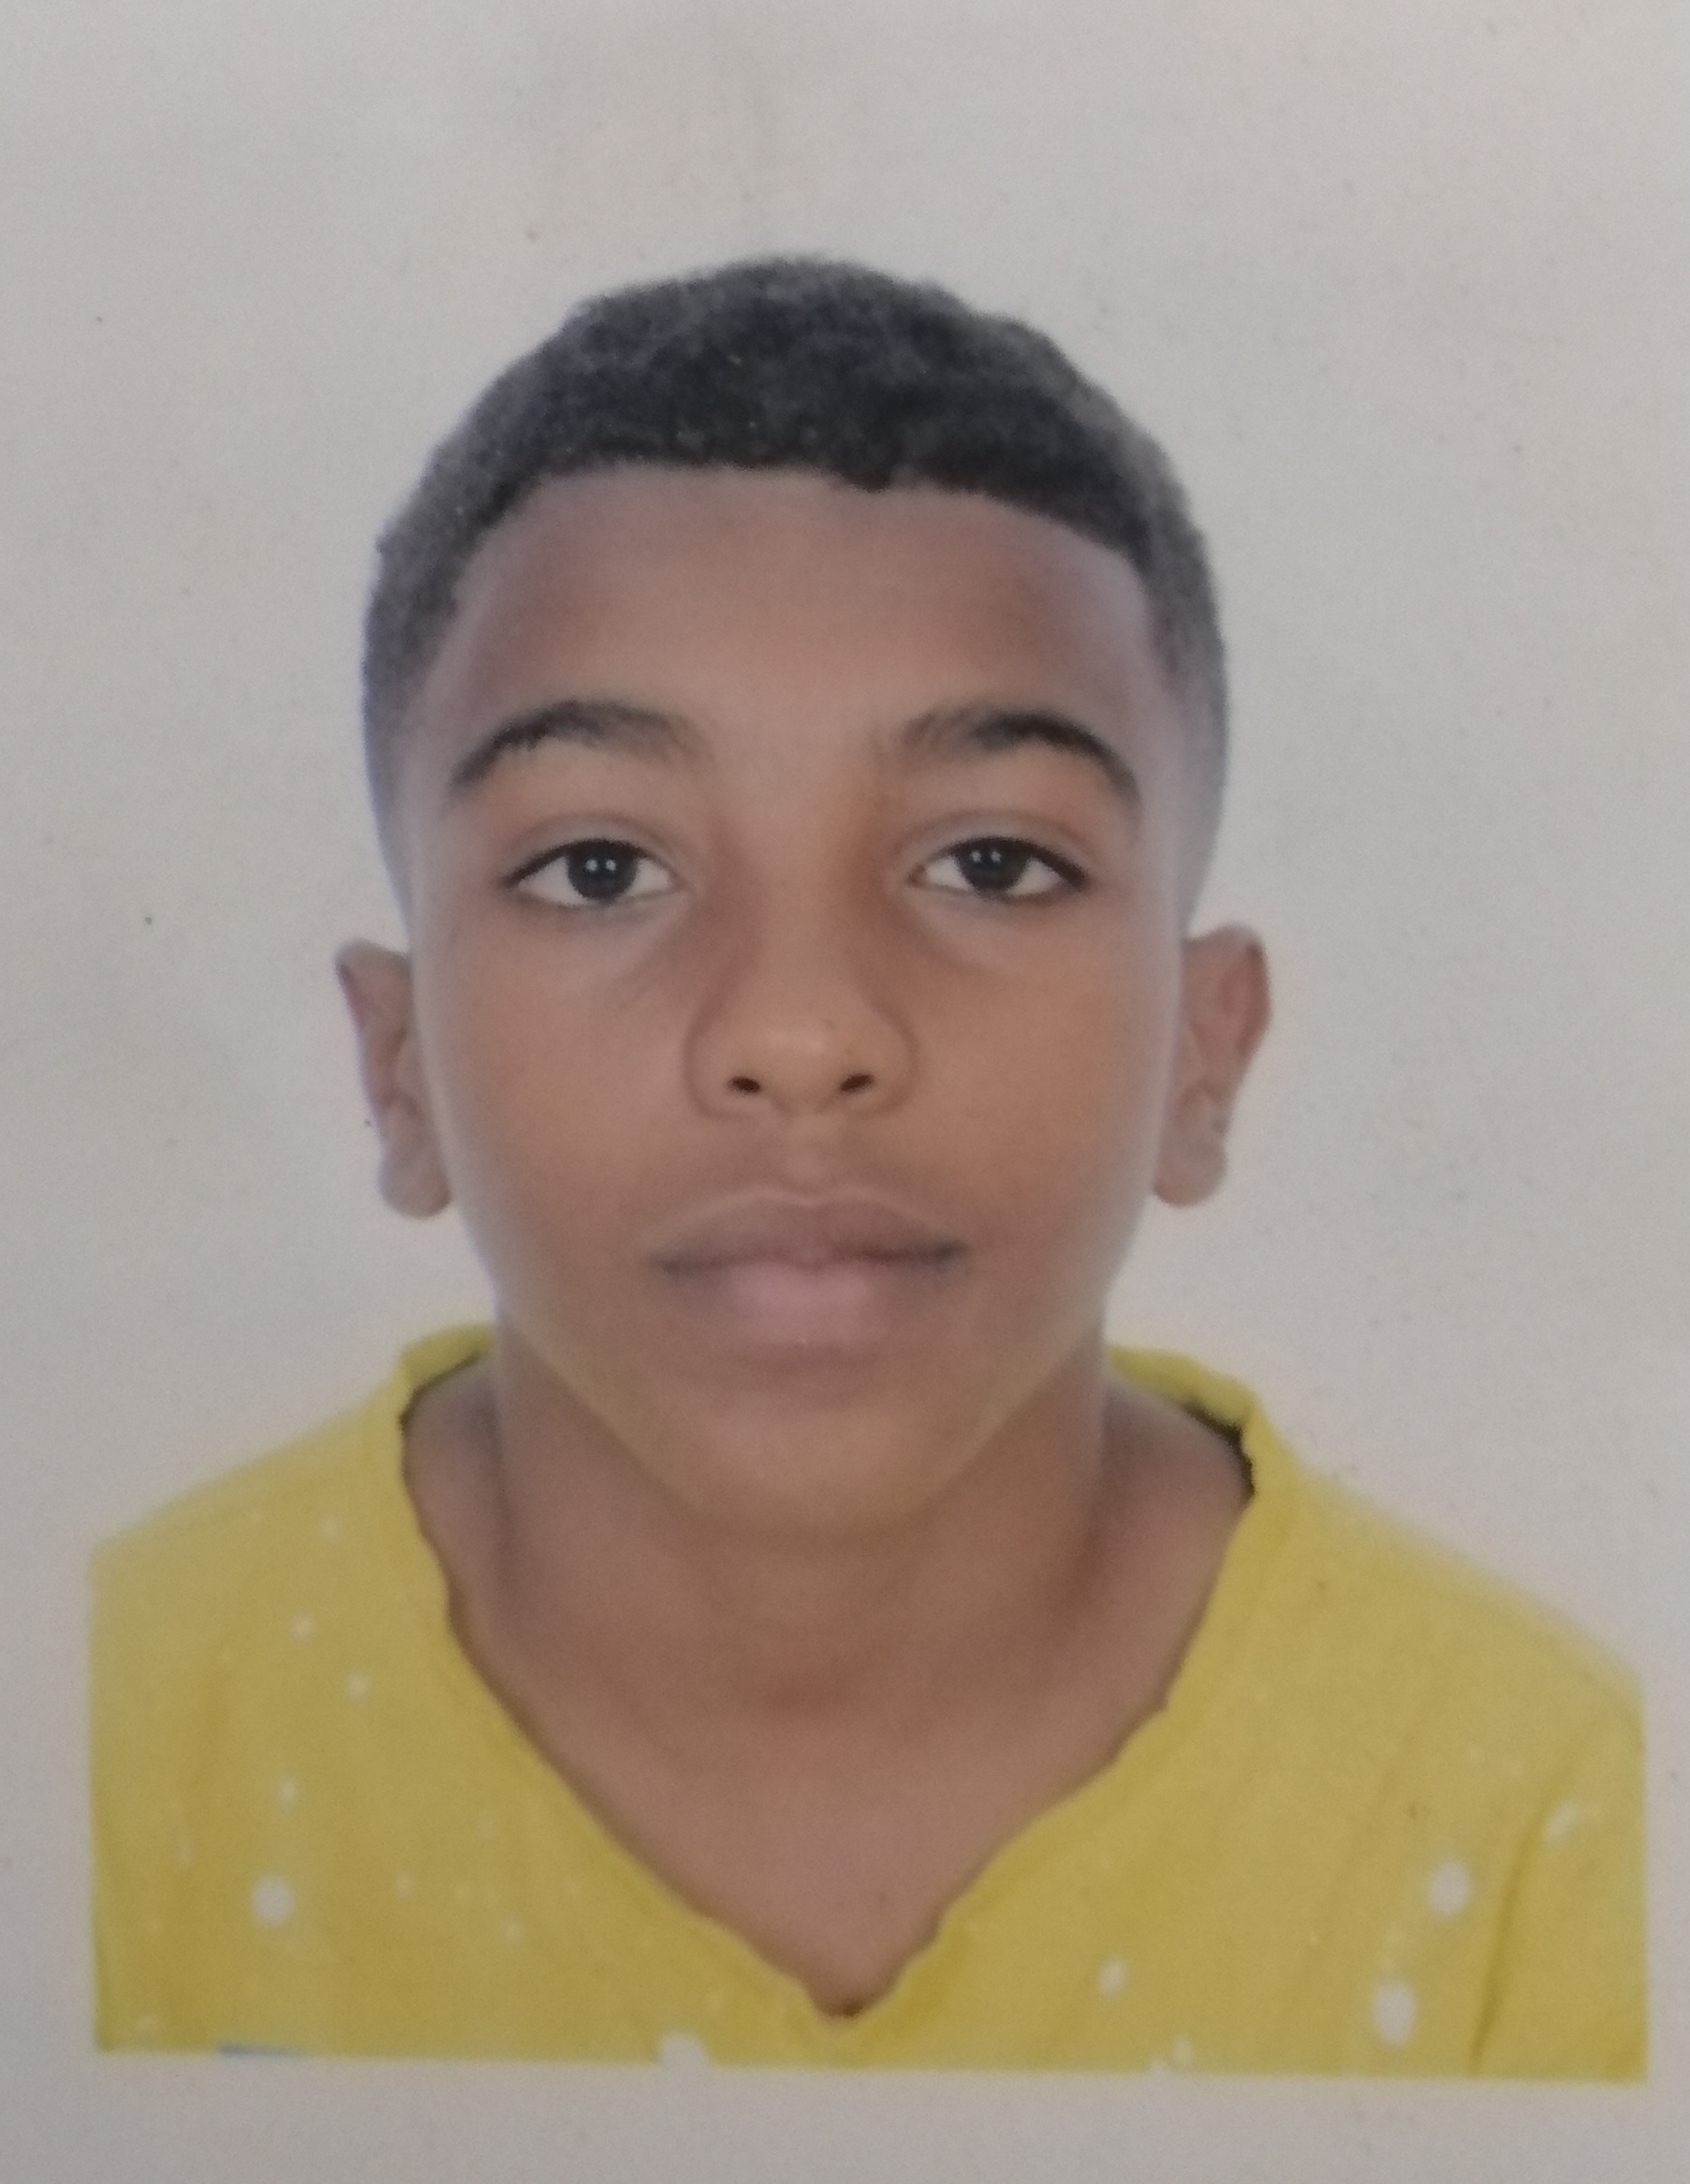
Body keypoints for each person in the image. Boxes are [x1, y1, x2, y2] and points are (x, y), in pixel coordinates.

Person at [90, 258, 1642, 2073]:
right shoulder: (108, 1742)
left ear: (1203, 1049)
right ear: (397, 1060)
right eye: (600, 868)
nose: (802, 1029)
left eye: (990, 864)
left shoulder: (1551, 1827)